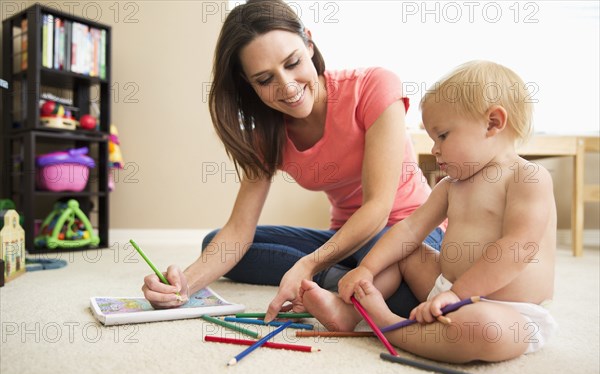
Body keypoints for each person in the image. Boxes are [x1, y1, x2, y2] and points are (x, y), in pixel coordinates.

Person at [141, 0, 443, 321]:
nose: (287, 87)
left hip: (411, 231)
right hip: (345, 239)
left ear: (309, 44)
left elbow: (378, 209)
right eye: (264, 79)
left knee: (401, 277)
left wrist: (309, 263)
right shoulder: (267, 135)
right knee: (215, 244)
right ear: (248, 83)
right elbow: (239, 229)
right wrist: (183, 285)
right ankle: (343, 282)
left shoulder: (374, 87)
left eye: (293, 62)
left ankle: (344, 281)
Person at [299, 60, 558, 363]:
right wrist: (366, 269)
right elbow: (409, 230)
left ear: (492, 123)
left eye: (443, 136)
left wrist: (459, 294)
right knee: (402, 251)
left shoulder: (528, 178)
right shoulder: (451, 186)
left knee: (484, 330)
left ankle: (387, 325)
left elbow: (517, 248)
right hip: (443, 289)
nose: (435, 149)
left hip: (507, 310)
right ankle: (347, 312)